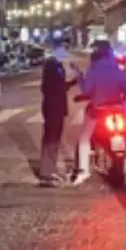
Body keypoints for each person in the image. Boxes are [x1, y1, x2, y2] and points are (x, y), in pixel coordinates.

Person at [71, 40, 126, 185]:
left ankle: (83, 170)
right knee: (123, 135)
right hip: (118, 109)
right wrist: (123, 99)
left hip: (99, 110)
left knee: (84, 138)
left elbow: (87, 90)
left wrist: (79, 76)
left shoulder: (94, 69)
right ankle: (122, 166)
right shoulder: (116, 68)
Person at [38, 40, 78, 186]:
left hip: (58, 106)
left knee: (55, 138)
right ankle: (47, 172)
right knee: (51, 139)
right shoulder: (51, 65)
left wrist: (74, 81)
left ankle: (51, 169)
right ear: (56, 50)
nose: (65, 52)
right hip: (52, 106)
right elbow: (50, 87)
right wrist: (69, 83)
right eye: (63, 49)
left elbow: (61, 86)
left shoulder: (57, 65)